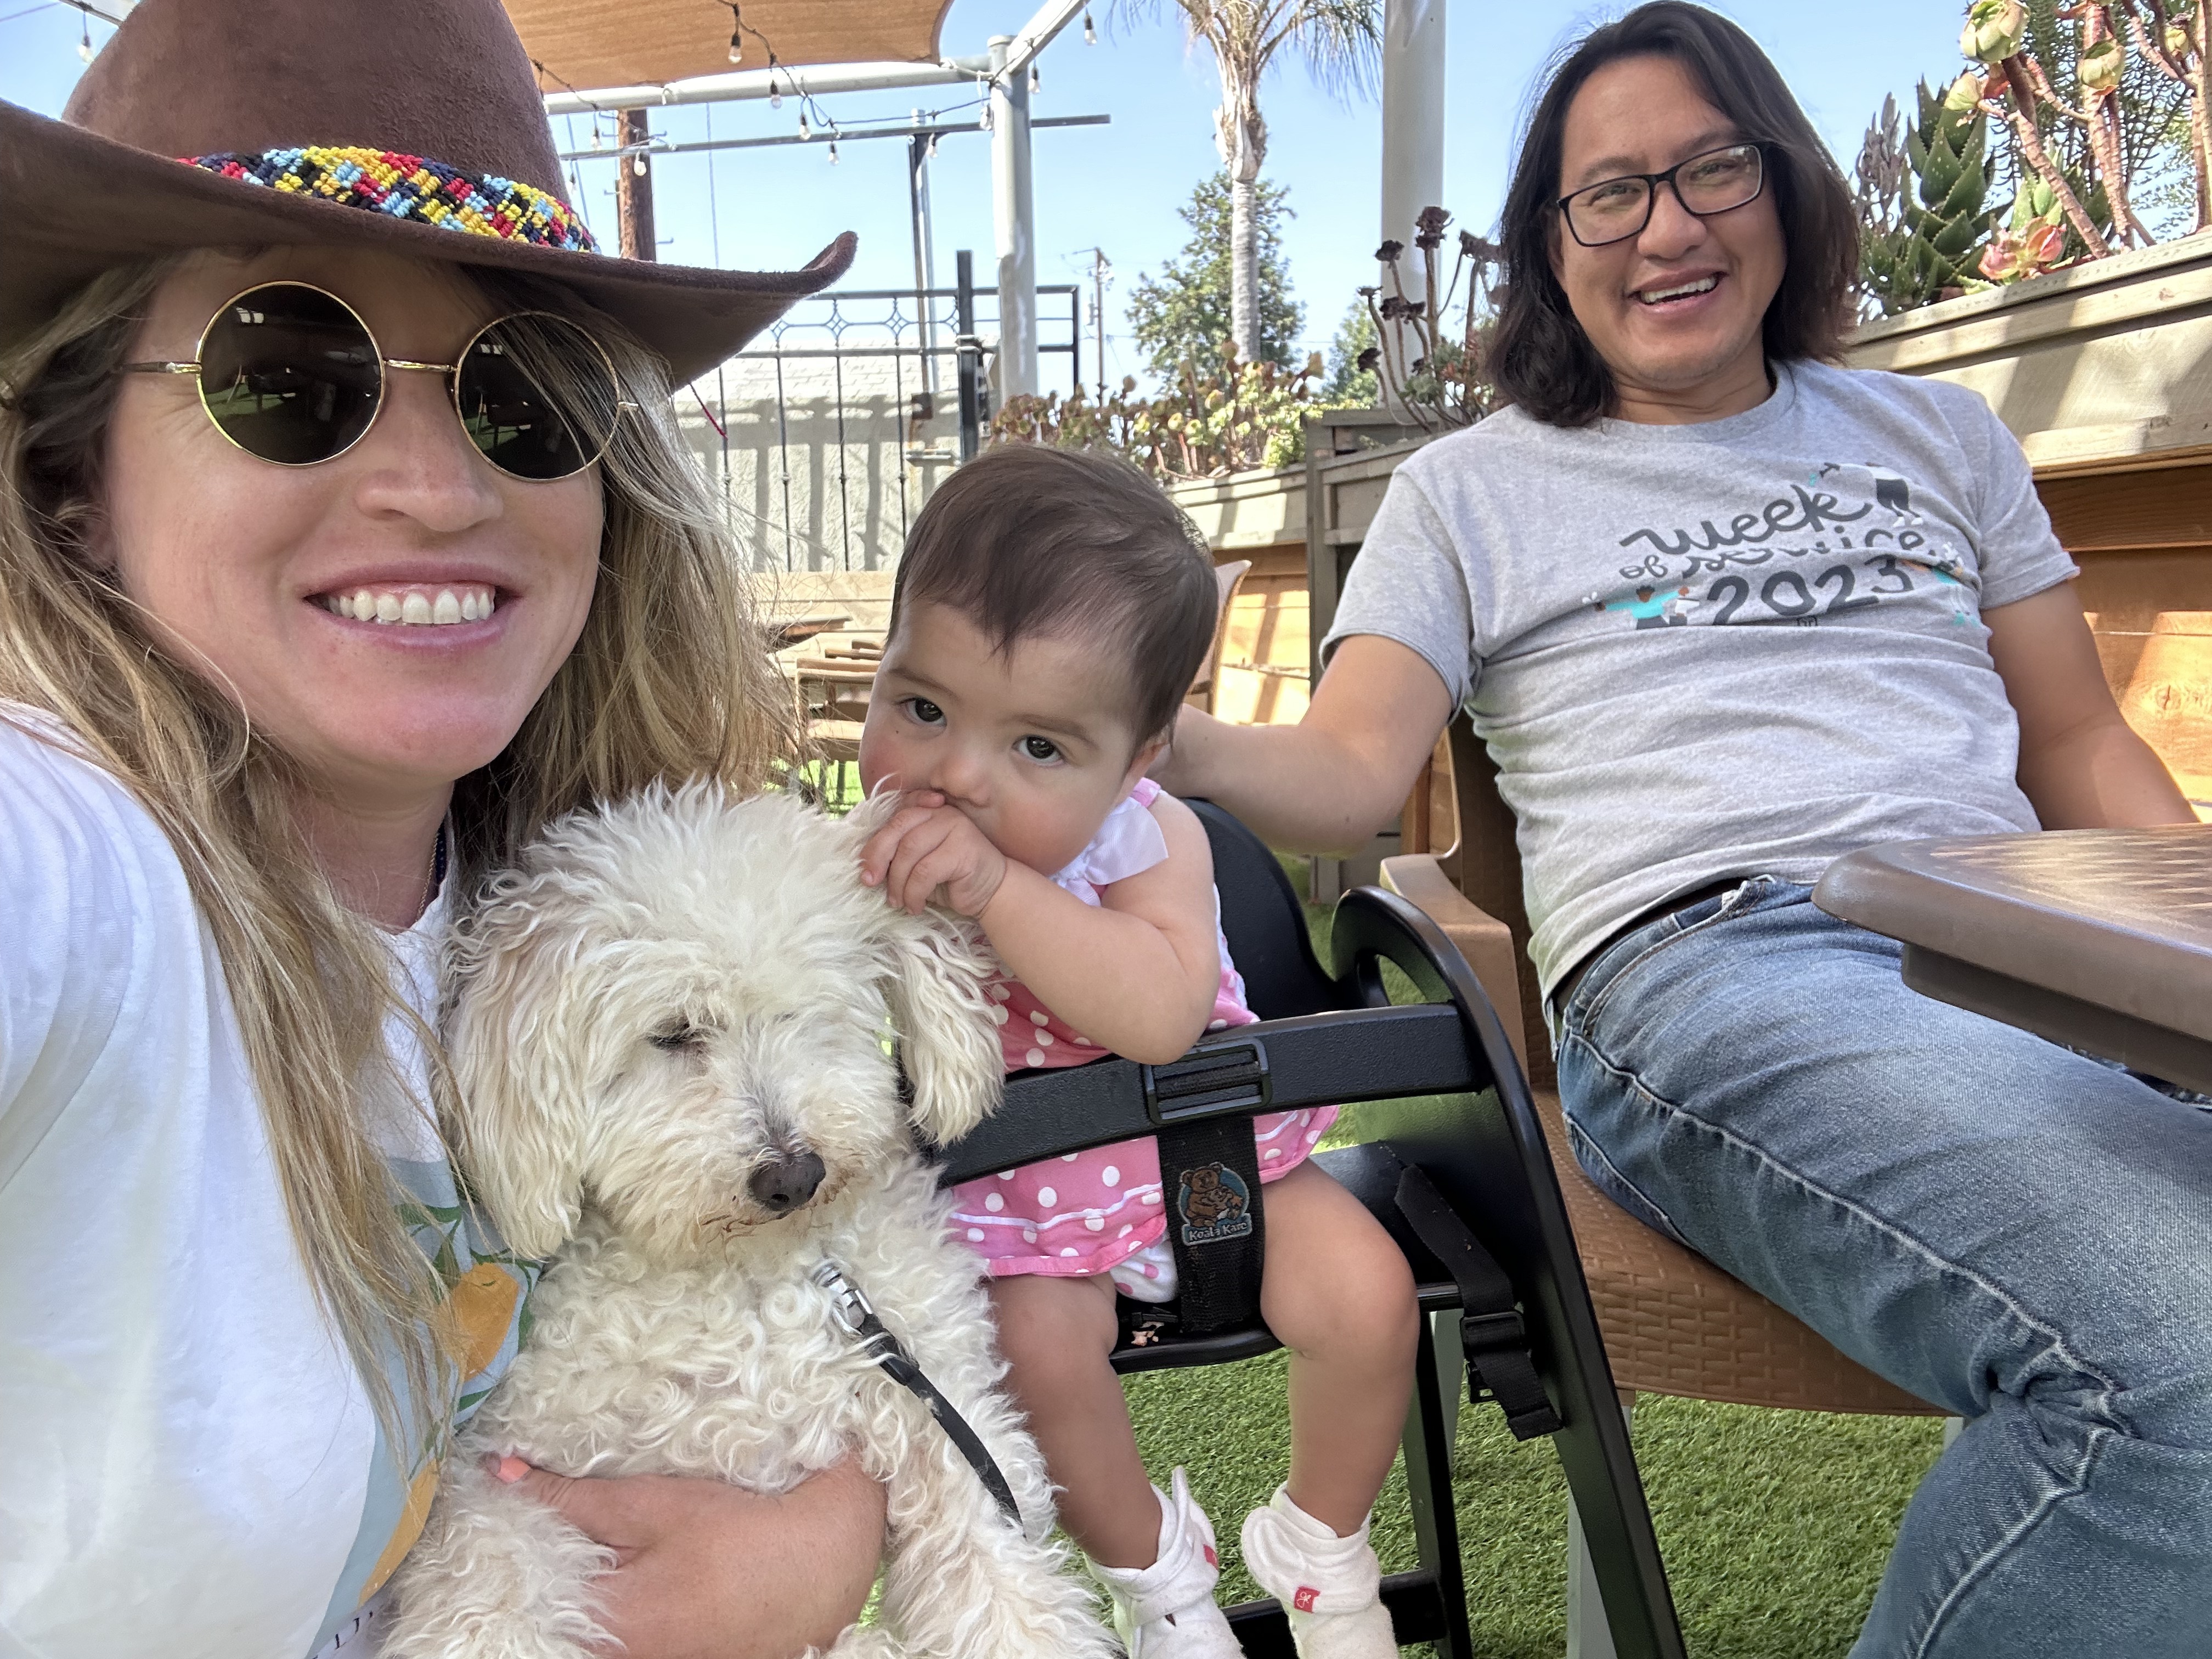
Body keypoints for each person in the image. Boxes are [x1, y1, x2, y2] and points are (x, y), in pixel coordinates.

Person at [1156, 5, 2212, 1656]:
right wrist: (1163, 735)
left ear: (1784, 191)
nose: (1669, 224)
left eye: (1714, 168)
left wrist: (2185, 920)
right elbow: (1356, 776)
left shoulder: (1943, 438)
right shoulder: (1474, 489)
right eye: (1612, 193)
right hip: (1732, 964)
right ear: (1549, 248)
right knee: (2184, 1365)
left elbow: (2080, 740)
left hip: (2036, 942)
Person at [0, 2, 888, 1655]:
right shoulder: (78, 869)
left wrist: (823, 1534)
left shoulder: (555, 906)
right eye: (287, 370)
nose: (440, 484)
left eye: (522, 393)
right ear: (72, 478)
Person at [854, 445, 1420, 1659]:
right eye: (921, 707)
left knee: (1369, 1299)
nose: (959, 774)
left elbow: (1161, 1017)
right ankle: (1157, 1586)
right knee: (1033, 1353)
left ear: (1140, 758)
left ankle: (1318, 1542)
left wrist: (1001, 891)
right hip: (1017, 1199)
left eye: (1040, 748)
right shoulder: (869, 858)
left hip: (1204, 1160)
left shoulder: (1149, 841)